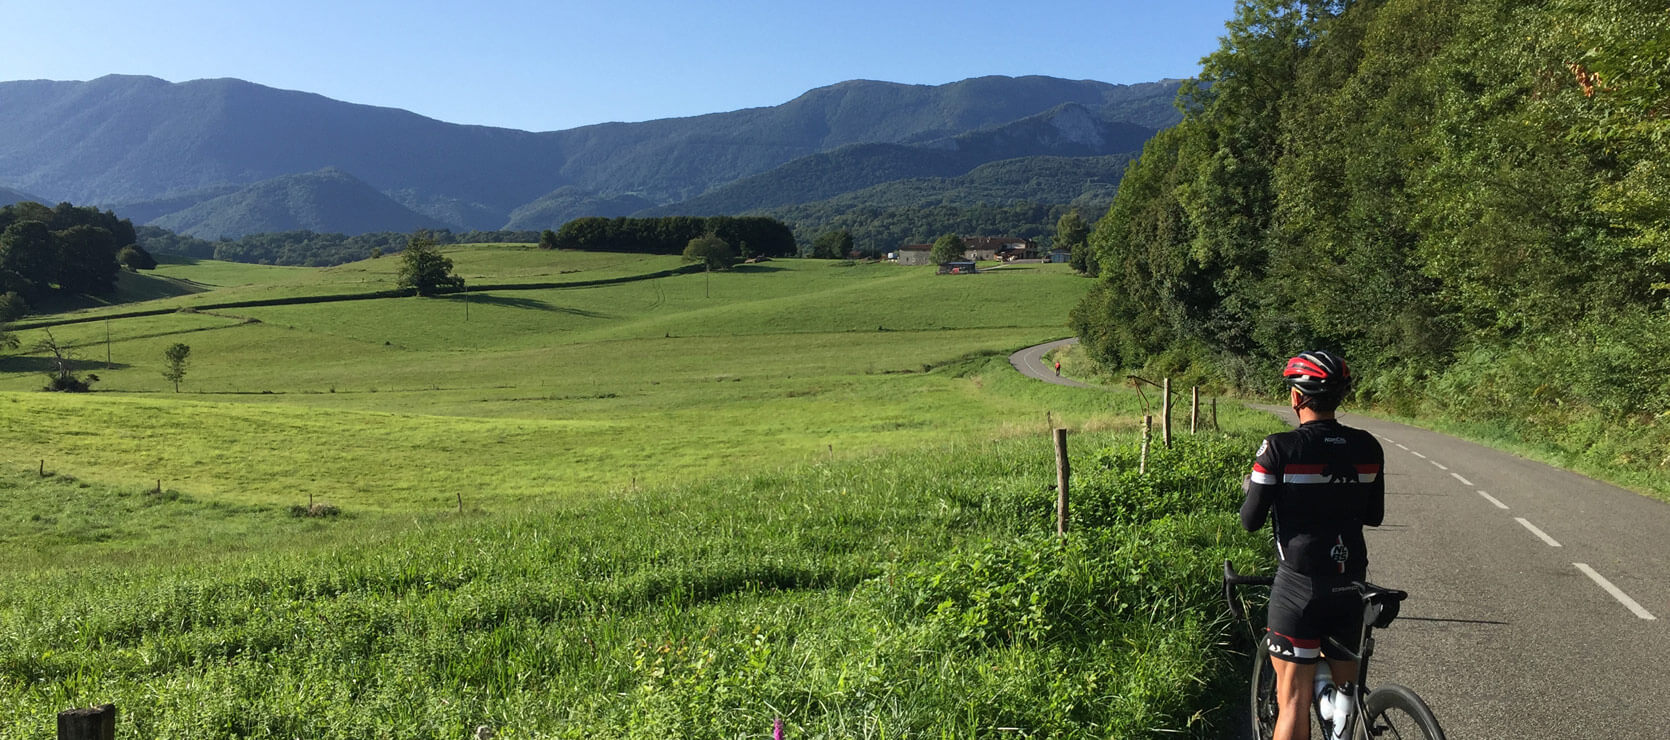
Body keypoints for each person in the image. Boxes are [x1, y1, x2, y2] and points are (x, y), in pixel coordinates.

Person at [1240, 350, 1385, 740]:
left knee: (1293, 704)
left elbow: (1250, 521)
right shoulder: (1369, 446)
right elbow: (1374, 516)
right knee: (1345, 698)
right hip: (1352, 583)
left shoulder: (1278, 448)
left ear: (1295, 397)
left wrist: (1255, 489)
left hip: (1299, 588)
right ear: (1339, 398)